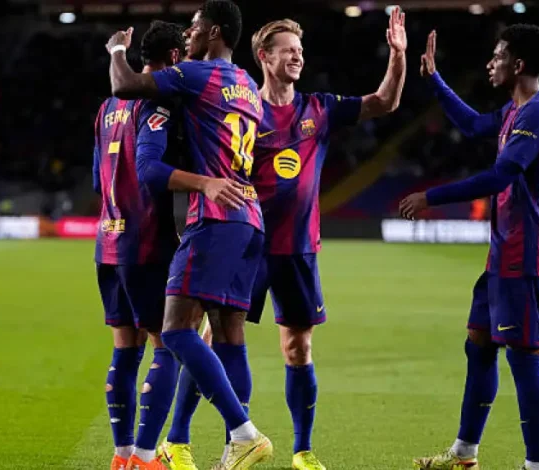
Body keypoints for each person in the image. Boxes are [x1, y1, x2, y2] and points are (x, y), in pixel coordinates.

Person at [160, 10, 407, 470]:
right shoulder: (241, 107)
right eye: (288, 50)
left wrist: (398, 56)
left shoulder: (320, 107)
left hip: (297, 248)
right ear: (264, 56)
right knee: (210, 337)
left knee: (298, 348)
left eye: (300, 50)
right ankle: (179, 440)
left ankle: (302, 451)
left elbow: (384, 102)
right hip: (245, 244)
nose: (298, 57)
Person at [106, 1, 274, 469]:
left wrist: (117, 49)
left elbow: (125, 86)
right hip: (250, 217)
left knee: (177, 330)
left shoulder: (198, 73)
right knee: (229, 335)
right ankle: (229, 450)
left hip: (215, 216)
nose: (188, 36)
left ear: (213, 32)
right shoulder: (248, 85)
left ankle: (243, 434)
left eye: (195, 29)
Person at [400, 24, 539, 470]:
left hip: (531, 256)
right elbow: (474, 124)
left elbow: (500, 176)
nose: (491, 63)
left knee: (525, 358)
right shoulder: (516, 110)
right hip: (505, 254)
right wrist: (435, 79)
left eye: (498, 56)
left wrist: (430, 197)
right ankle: (464, 453)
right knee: (479, 343)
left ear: (519, 64)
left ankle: (538, 466)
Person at [93, 20, 187, 470]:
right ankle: (147, 458)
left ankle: (122, 455)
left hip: (107, 241)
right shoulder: (157, 103)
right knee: (168, 344)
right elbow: (151, 171)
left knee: (124, 348)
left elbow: (98, 180)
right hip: (146, 240)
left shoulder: (106, 107)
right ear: (174, 58)